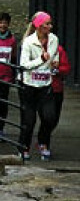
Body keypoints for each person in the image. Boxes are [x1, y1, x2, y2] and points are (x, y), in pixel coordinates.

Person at [18, 11, 60, 161]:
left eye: (50, 23)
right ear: (39, 26)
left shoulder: (54, 39)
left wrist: (55, 62)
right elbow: (24, 65)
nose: (50, 26)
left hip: (45, 84)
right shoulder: (29, 42)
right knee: (29, 120)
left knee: (49, 117)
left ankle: (43, 143)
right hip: (28, 85)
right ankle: (24, 147)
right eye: (47, 24)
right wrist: (40, 59)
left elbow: (55, 55)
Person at [51, 42, 71, 155]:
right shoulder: (31, 46)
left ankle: (44, 137)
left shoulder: (59, 49)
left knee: (54, 118)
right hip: (39, 88)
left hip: (56, 88)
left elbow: (66, 68)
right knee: (46, 116)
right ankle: (43, 142)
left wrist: (57, 68)